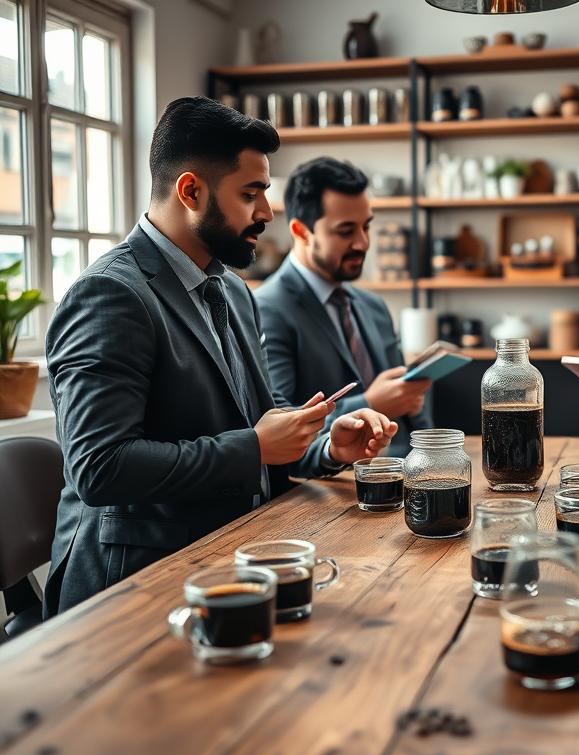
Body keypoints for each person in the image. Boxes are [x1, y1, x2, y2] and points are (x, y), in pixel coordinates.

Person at [43, 98, 397, 616]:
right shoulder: (109, 294)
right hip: (133, 584)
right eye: (250, 194)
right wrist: (254, 447)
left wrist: (325, 447)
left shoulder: (231, 289)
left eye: (265, 193)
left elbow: (261, 422)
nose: (267, 213)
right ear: (190, 191)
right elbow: (100, 468)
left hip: (233, 552)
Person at [255, 158, 432, 457]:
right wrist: (372, 403)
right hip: (330, 487)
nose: (363, 243)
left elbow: (412, 411)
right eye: (346, 231)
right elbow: (281, 424)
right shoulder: (267, 309)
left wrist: (432, 455)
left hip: (404, 473)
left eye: (366, 226)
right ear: (300, 231)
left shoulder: (372, 305)